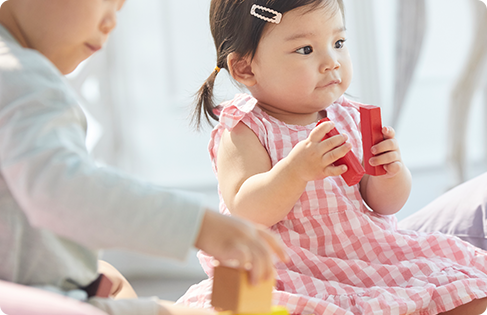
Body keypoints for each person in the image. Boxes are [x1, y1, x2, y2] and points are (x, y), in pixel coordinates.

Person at [176, 0, 487, 314]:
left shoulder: (348, 117)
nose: (331, 62)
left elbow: (384, 204)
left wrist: (390, 172)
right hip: (288, 270)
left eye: (338, 43)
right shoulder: (245, 129)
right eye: (306, 50)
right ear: (245, 67)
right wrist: (294, 171)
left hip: (367, 257)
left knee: (465, 290)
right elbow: (247, 210)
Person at [0, 0, 289, 314]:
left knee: (111, 276)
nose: (111, 23)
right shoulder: (22, 76)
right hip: (34, 294)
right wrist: (200, 226)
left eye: (118, 10)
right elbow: (60, 191)